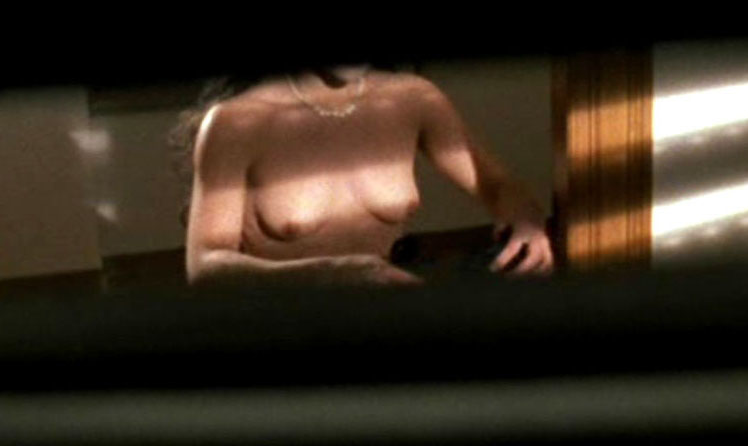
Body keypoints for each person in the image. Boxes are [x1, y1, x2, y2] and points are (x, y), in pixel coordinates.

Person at [171, 65, 554, 286]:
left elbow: (499, 186)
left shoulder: (413, 99)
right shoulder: (236, 122)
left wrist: (526, 221)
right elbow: (204, 265)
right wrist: (333, 273)